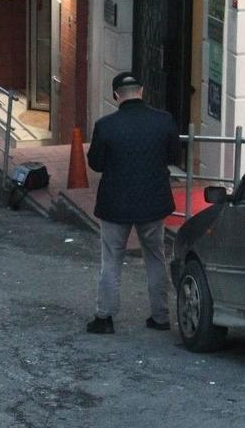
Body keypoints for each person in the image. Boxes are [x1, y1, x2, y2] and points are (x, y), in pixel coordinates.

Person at [85, 72, 180, 335]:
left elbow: (96, 163)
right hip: (153, 201)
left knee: (111, 259)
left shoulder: (105, 125)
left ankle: (104, 318)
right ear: (142, 91)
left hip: (115, 204)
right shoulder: (163, 121)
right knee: (155, 257)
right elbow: (173, 155)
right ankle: (160, 317)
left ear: (116, 95)